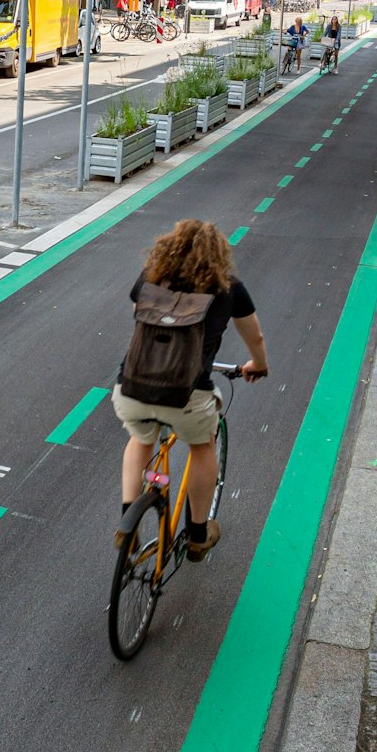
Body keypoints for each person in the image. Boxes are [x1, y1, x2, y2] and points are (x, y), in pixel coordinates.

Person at [113, 220, 269, 561]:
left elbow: (140, 321)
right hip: (188, 395)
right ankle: (198, 534)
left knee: (140, 439)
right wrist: (257, 364)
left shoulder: (149, 278)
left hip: (133, 388)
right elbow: (254, 337)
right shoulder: (230, 288)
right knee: (202, 446)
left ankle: (128, 523)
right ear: (218, 254)